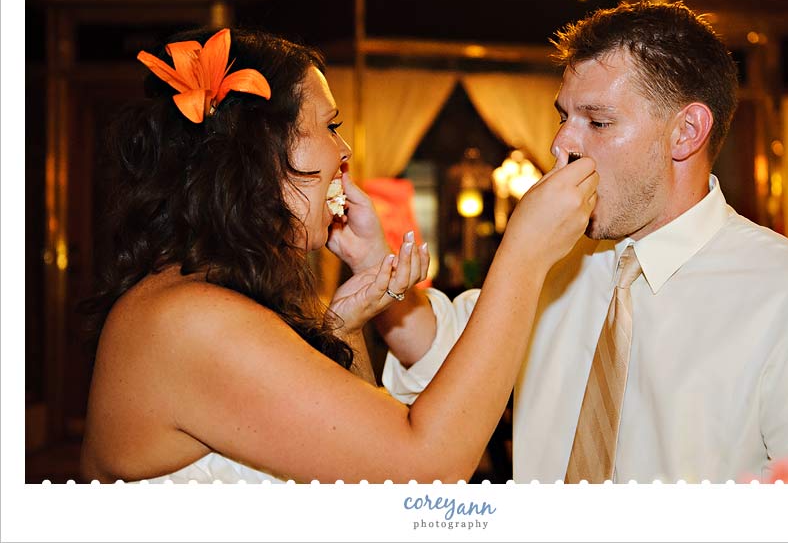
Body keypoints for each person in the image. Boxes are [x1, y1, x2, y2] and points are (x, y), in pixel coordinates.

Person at [353, 1, 788, 484]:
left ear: (686, 132)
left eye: (598, 121)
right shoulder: (553, 263)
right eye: (564, 116)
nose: (561, 143)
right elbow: (448, 352)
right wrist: (373, 261)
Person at [79, 27, 599, 483]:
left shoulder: (208, 300)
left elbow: (359, 485)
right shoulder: (189, 320)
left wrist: (345, 328)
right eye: (330, 126)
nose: (345, 150)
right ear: (261, 150)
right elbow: (425, 470)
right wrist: (523, 255)